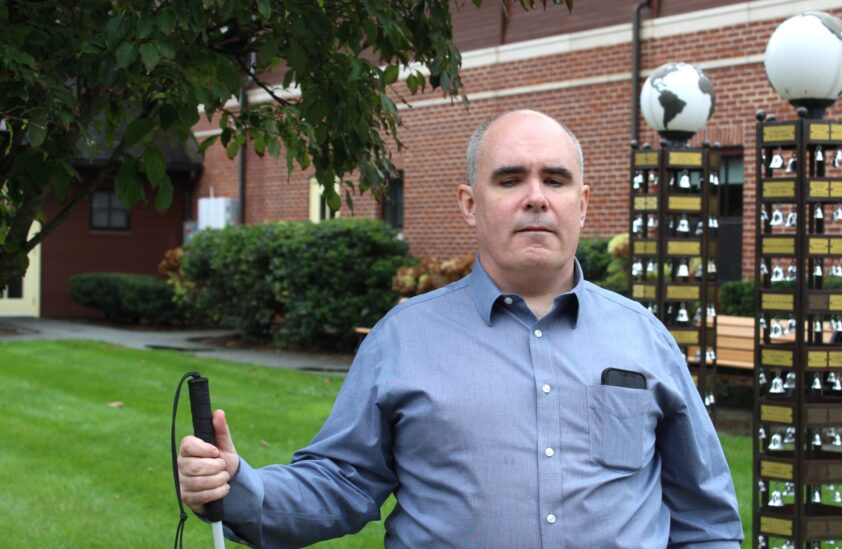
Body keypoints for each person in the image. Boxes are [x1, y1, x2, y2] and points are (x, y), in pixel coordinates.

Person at [178, 110, 743, 548]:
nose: (536, 198)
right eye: (510, 179)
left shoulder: (644, 338)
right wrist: (238, 486)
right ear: (471, 204)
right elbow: (343, 481)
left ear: (582, 203)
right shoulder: (403, 339)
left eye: (555, 179)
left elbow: (706, 517)